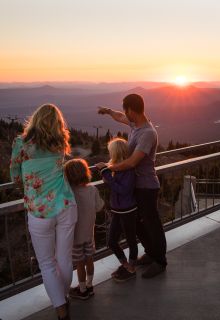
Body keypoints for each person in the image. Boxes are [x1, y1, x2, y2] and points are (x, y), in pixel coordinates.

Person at [10, 104, 76, 320]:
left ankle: (61, 309)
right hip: (66, 204)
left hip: (39, 210)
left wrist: (26, 187)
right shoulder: (60, 143)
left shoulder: (21, 143)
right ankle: (63, 296)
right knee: (64, 258)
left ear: (35, 120)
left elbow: (16, 177)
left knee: (47, 264)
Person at [97, 93, 167, 278]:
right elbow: (120, 117)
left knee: (152, 225)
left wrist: (108, 168)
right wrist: (108, 111)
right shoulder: (136, 124)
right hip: (137, 186)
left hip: (147, 186)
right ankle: (151, 253)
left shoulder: (147, 133)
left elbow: (132, 162)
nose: (124, 114)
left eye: (125, 110)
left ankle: (160, 261)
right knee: (137, 224)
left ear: (131, 110)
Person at [96, 138, 138, 282]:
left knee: (131, 240)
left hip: (128, 210)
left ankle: (131, 268)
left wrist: (106, 173)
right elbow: (110, 181)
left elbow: (123, 190)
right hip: (118, 210)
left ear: (116, 152)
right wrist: (106, 171)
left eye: (110, 151)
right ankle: (125, 265)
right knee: (112, 242)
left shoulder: (129, 169)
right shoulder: (115, 166)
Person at [64, 159, 104, 299]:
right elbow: (99, 207)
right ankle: (89, 285)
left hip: (75, 237)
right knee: (89, 259)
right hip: (89, 235)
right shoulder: (92, 189)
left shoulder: (70, 193)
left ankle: (82, 291)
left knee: (79, 264)